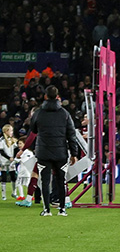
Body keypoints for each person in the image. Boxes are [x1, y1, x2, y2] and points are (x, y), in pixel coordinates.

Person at [29, 85, 82, 217]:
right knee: (61, 180)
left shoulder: (38, 113)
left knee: (45, 181)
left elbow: (33, 130)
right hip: (60, 152)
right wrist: (74, 154)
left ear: (45, 96)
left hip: (43, 151)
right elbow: (71, 135)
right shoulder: (64, 113)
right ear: (58, 96)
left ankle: (47, 210)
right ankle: (62, 209)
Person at [0, 125, 18, 201]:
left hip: (11, 161)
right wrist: (9, 157)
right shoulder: (2, 140)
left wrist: (14, 157)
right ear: (6, 131)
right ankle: (3, 195)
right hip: (4, 161)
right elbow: (1, 151)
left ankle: (14, 192)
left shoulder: (12, 140)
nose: (12, 132)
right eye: (10, 130)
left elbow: (15, 149)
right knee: (4, 177)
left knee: (13, 176)